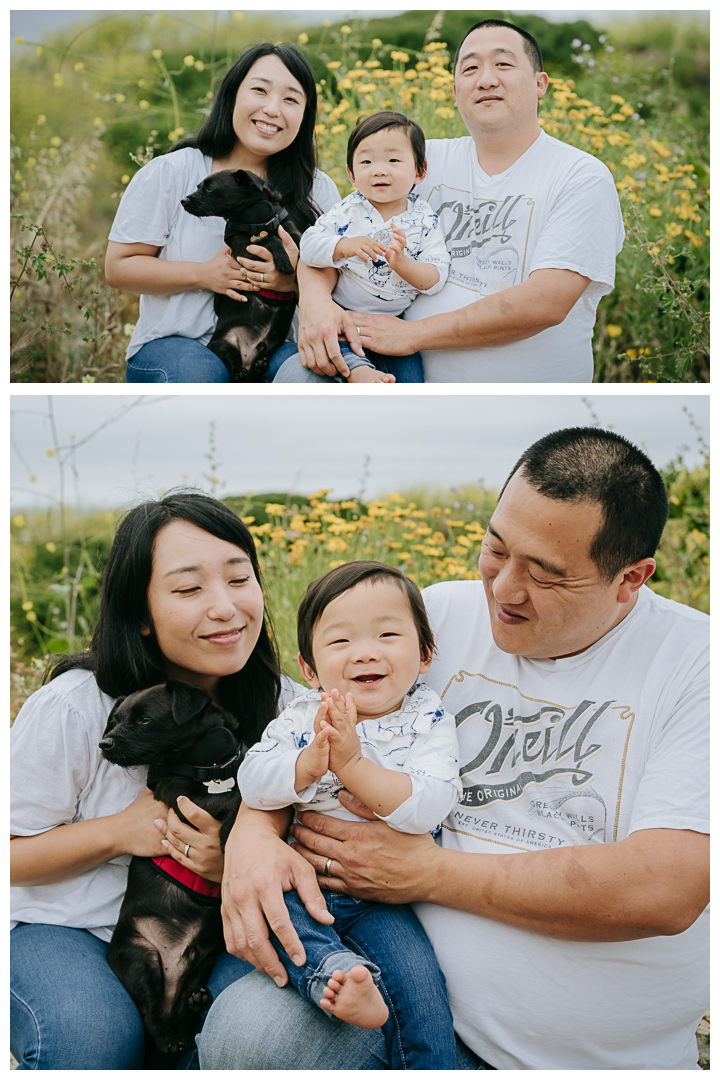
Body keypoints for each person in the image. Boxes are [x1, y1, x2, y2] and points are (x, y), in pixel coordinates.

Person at [197, 427, 709, 1071]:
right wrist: (252, 837)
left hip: (586, 1056)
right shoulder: (438, 618)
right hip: (385, 977)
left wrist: (430, 875)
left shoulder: (695, 665)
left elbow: (665, 888)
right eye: (496, 548)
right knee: (253, 1037)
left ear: (630, 579)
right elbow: (309, 726)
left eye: (545, 575)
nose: (503, 589)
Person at [10, 492, 305, 1069]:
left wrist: (238, 861)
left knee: (252, 1036)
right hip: (67, 928)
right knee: (92, 1040)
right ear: (140, 613)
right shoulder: (76, 708)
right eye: (188, 589)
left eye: (239, 578)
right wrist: (118, 832)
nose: (225, 608)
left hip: (208, 931)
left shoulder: (285, 709)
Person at [282, 19, 625, 384]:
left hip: (516, 398)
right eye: (471, 68)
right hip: (384, 364)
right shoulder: (416, 160)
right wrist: (318, 307)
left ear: (540, 85)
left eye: (503, 64)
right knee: (295, 380)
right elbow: (339, 233)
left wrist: (413, 335)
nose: (486, 79)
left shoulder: (579, 175)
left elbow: (546, 303)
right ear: (455, 90)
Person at [238, 562, 461, 1067]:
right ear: (310, 669)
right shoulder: (301, 717)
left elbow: (430, 802)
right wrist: (306, 763)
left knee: (422, 990)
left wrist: (353, 766)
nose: (365, 651)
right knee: (280, 916)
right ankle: (333, 975)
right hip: (306, 882)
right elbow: (251, 782)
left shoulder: (426, 718)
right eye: (340, 642)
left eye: (387, 634)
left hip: (384, 900)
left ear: (425, 654)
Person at [104, 43, 343, 384]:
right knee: (201, 375)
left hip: (275, 346)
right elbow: (118, 267)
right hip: (176, 345)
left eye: (291, 99)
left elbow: (341, 279)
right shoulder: (173, 171)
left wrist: (292, 280)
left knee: (309, 379)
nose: (273, 109)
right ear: (232, 95)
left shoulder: (317, 189)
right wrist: (204, 275)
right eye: (259, 90)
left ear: (305, 115)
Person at [275, 112, 450, 385]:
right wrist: (343, 245)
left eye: (393, 160)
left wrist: (405, 265)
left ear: (420, 171)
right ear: (352, 174)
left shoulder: (424, 219)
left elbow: (436, 277)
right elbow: (308, 246)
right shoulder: (347, 210)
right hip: (344, 311)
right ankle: (359, 373)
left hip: (395, 323)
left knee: (411, 379)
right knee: (334, 341)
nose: (379, 170)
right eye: (366, 161)